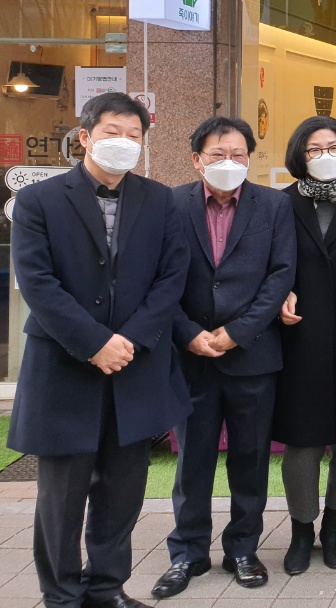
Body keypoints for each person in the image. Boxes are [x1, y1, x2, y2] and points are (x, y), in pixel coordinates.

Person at [8, 92, 190, 608]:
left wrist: (127, 341)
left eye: (134, 135)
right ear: (86, 136)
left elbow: (171, 278)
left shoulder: (161, 201)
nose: (124, 143)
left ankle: (107, 588)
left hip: (135, 366)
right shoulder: (39, 201)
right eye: (113, 132)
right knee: (61, 497)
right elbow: (37, 283)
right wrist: (94, 343)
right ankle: (62, 596)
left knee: (123, 490)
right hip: (64, 367)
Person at [153, 117, 296, 599]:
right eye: (217, 155)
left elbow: (280, 275)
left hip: (252, 355)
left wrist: (237, 332)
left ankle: (243, 550)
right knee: (192, 461)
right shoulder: (170, 204)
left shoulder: (274, 205)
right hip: (191, 356)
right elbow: (158, 280)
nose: (228, 163)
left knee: (250, 459)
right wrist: (188, 333)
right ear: (197, 159)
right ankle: (187, 553)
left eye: (238, 154)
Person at [273, 117, 336, 576]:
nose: (324, 156)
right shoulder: (280, 203)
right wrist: (278, 296)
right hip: (300, 336)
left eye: (333, 147)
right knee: (303, 440)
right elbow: (267, 262)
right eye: (313, 150)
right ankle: (301, 529)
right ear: (300, 155)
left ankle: (335, 526)